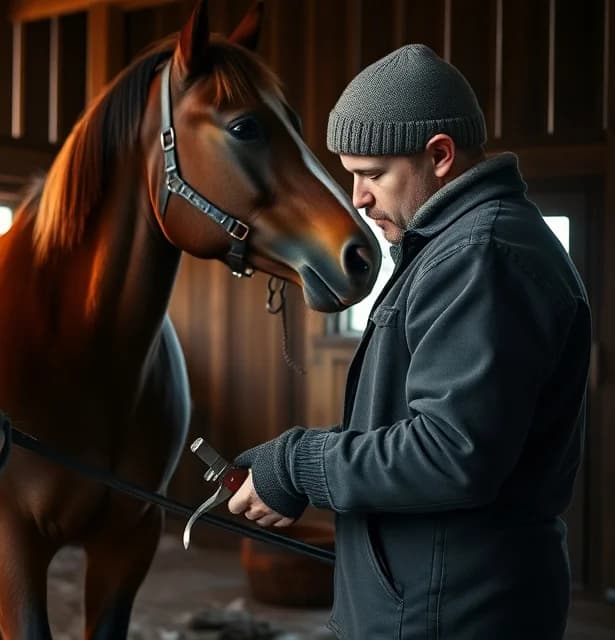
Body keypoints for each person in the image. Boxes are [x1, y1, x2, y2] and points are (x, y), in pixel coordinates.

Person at [227, 43, 591, 639]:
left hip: (448, 615)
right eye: (351, 175)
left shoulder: (482, 257)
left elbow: (450, 452)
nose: (359, 197)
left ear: (440, 156)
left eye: (372, 174)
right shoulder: (450, 248)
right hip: (426, 601)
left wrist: (298, 464)